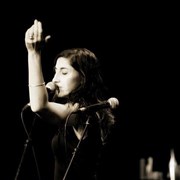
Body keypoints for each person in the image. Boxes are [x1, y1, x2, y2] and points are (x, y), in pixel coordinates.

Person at [24, 19, 119, 180]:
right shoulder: (71, 109)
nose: (55, 79)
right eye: (55, 71)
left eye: (64, 72)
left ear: (83, 78)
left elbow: (39, 106)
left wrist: (34, 54)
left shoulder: (84, 112)